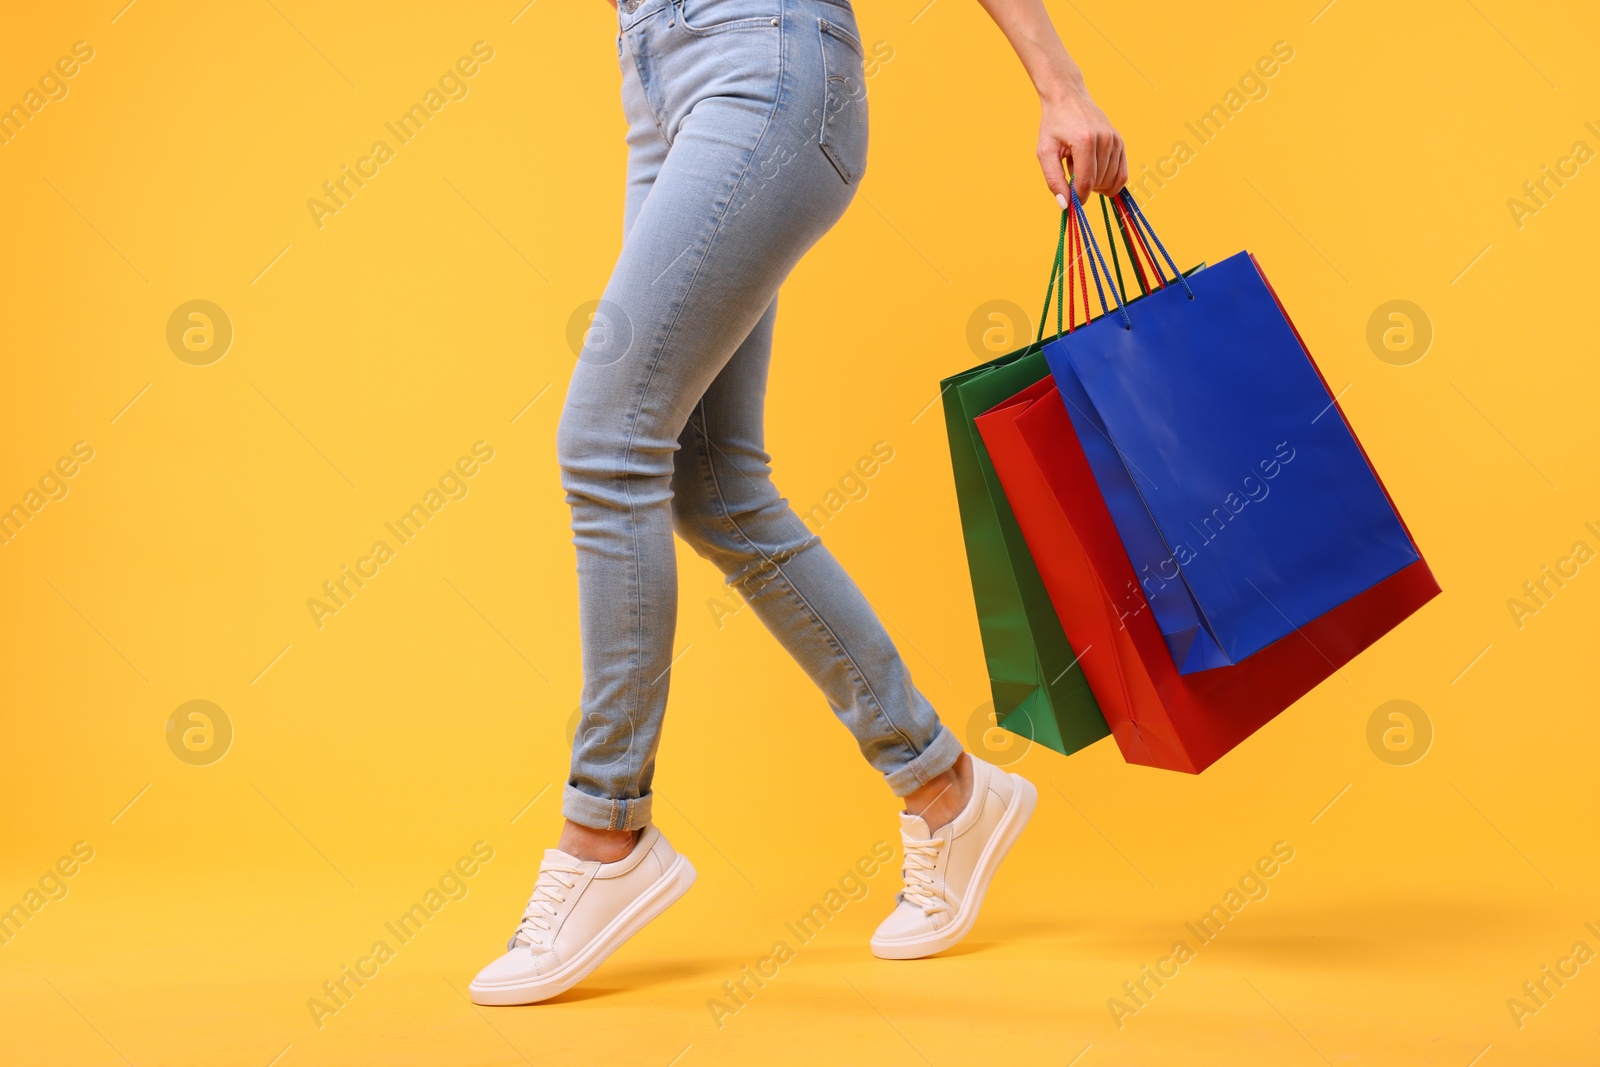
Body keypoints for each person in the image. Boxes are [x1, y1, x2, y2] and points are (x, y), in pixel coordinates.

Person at [469, 0, 1128, 1005]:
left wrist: (1060, 83)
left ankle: (606, 830)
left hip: (763, 57)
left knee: (606, 443)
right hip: (656, 78)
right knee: (713, 485)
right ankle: (944, 788)